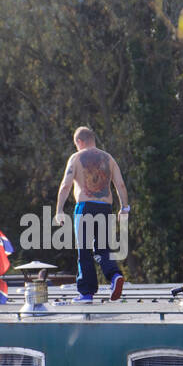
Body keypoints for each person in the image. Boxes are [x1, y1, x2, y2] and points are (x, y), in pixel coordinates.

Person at [55, 127, 129, 301]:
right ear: (92, 139)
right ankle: (115, 276)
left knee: (85, 251)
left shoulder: (76, 158)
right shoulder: (109, 158)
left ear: (79, 142)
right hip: (105, 209)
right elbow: (121, 185)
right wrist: (124, 208)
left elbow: (65, 186)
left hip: (85, 208)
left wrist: (59, 210)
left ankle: (86, 293)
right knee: (103, 249)